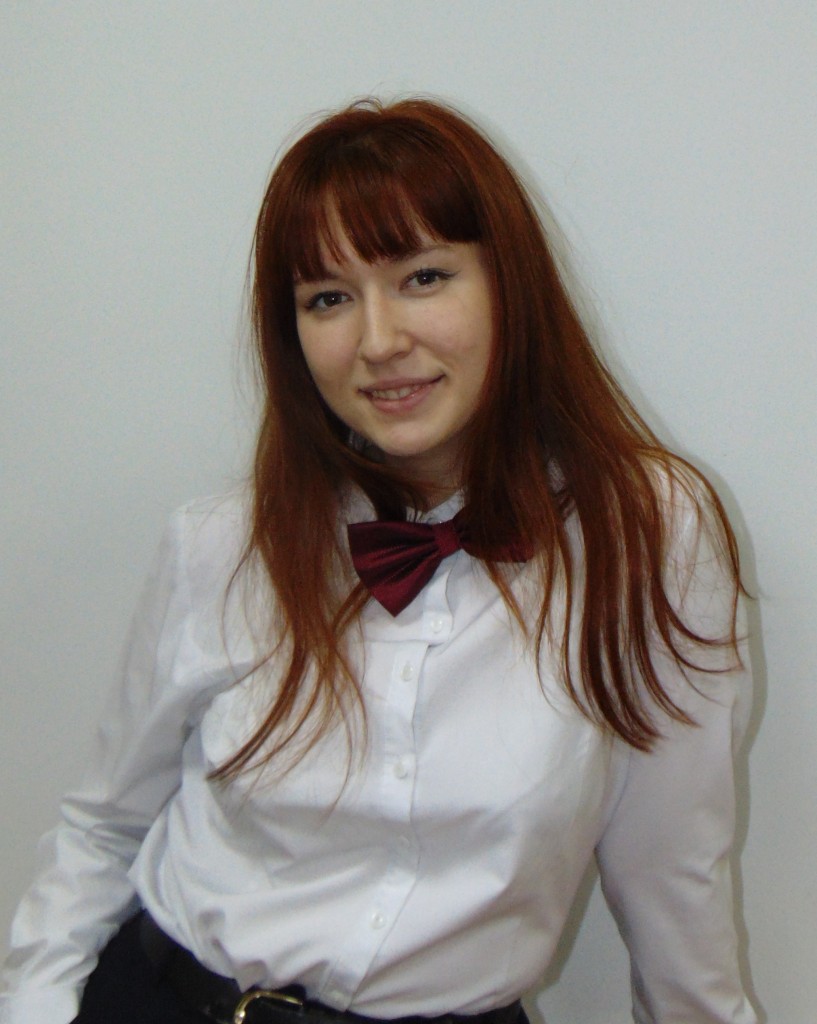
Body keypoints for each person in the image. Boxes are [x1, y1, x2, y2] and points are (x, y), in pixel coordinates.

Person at [0, 98, 757, 1024]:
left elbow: (673, 877)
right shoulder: (220, 544)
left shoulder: (650, 533)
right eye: (327, 298)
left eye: (423, 277)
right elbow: (103, 826)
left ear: (509, 285)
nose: (378, 341)